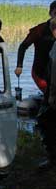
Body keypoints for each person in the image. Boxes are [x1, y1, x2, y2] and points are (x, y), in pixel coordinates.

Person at [14, 1, 56, 92]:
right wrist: (19, 66)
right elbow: (23, 46)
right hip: (40, 73)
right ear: (50, 13)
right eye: (55, 13)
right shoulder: (39, 30)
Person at [37, 17, 56, 170]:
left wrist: (51, 96)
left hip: (53, 92)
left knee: (45, 122)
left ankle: (52, 159)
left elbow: (54, 74)